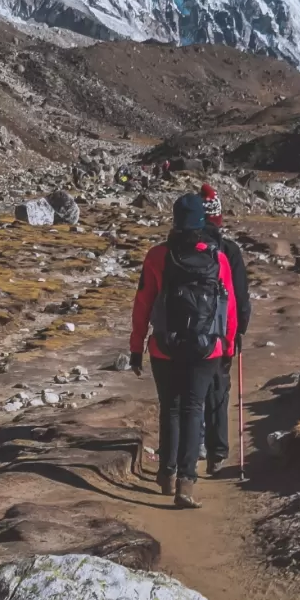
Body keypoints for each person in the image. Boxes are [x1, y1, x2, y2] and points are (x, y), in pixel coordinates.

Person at [130, 191, 238, 509]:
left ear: (175, 220)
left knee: (171, 409)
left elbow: (143, 305)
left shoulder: (157, 256)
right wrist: (228, 347)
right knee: (194, 410)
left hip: (165, 347)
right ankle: (186, 483)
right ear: (203, 221)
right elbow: (227, 307)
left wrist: (136, 347)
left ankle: (166, 473)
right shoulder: (218, 258)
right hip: (207, 349)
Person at [200, 182, 251, 474]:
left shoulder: (176, 249)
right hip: (220, 332)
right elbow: (240, 298)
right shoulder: (229, 251)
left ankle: (192, 447)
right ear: (218, 218)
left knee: (189, 392)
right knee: (218, 388)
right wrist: (239, 330)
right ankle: (217, 453)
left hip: (185, 331)